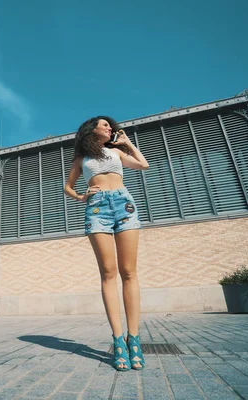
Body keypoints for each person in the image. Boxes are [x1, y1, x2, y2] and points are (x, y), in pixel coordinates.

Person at [64, 116, 149, 371]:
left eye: (110, 126)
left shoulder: (115, 152)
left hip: (124, 205)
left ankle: (133, 339)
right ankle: (117, 339)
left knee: (129, 272)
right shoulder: (82, 159)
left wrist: (127, 143)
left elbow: (143, 165)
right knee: (108, 273)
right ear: (93, 129)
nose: (110, 128)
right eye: (105, 125)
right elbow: (67, 186)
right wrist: (81, 196)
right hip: (97, 208)